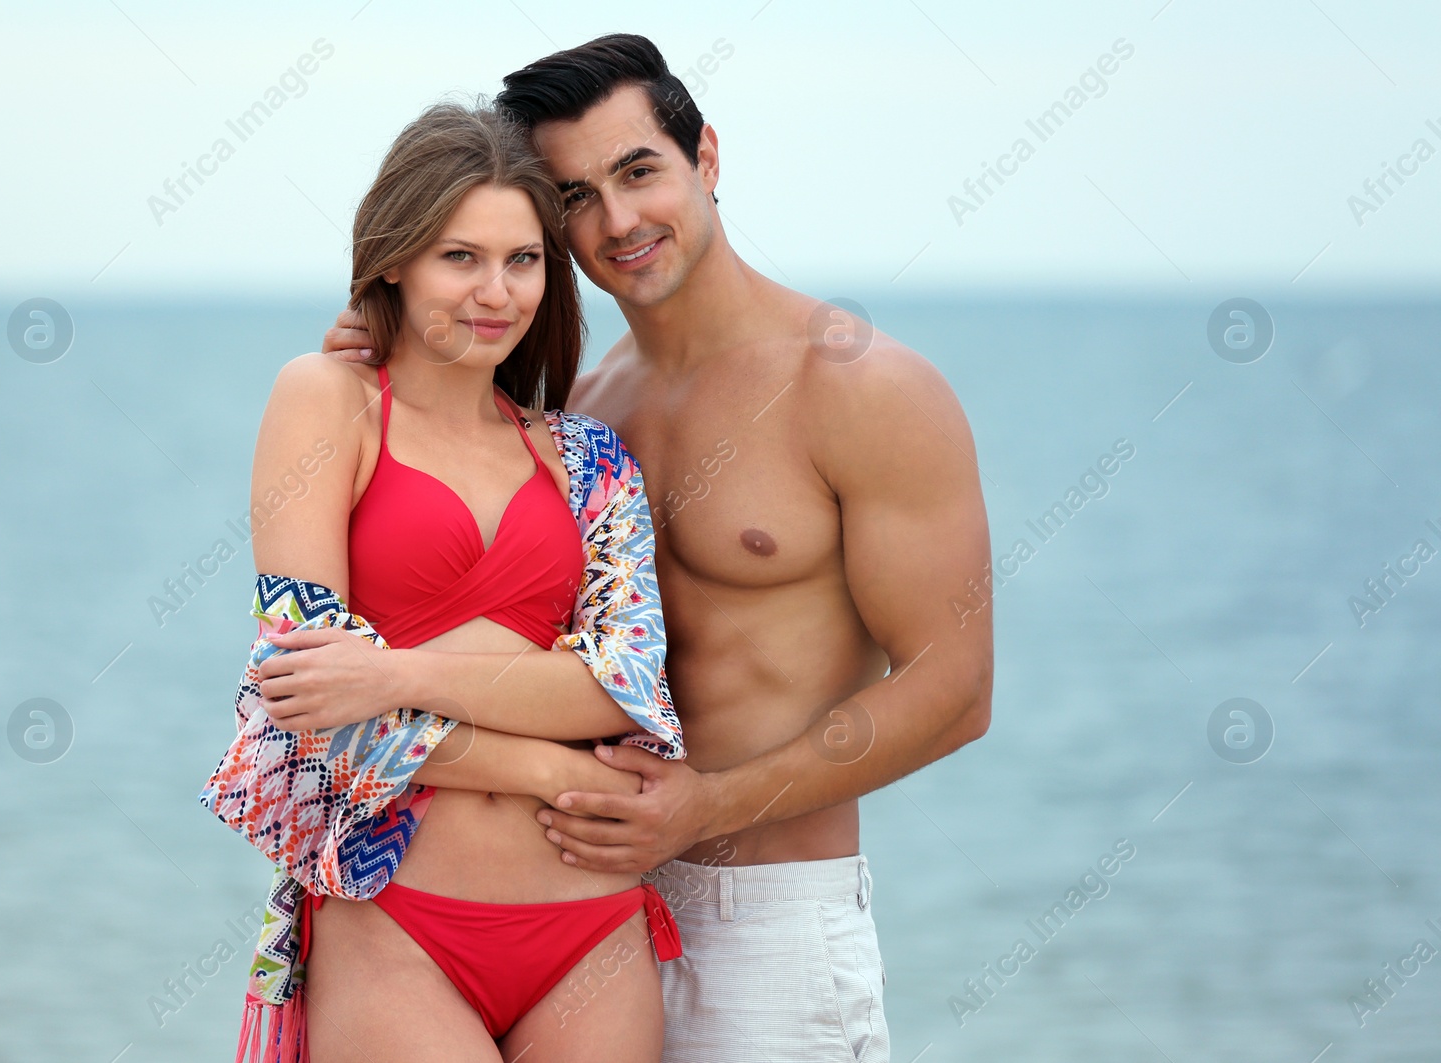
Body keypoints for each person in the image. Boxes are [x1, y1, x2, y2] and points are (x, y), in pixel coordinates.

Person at [321, 34, 995, 1063]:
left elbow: (956, 689)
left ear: (706, 159)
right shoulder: (581, 416)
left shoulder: (859, 386)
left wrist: (703, 808)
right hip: (584, 916)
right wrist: (384, 353)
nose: (620, 220)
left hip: (763, 918)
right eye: (576, 196)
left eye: (640, 172)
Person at [235, 101, 685, 1063]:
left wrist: (393, 675)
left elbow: (627, 687)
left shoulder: (589, 458)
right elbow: (306, 704)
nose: (497, 292)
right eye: (460, 257)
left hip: (592, 928)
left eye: (523, 260)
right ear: (394, 256)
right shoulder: (327, 403)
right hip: (395, 917)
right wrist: (556, 764)